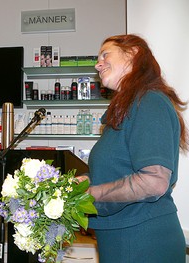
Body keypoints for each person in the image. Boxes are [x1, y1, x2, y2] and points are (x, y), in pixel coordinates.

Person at [78, 34, 188, 263]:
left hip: (141, 241)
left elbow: (153, 181)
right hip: (123, 238)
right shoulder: (129, 108)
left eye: (105, 55)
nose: (98, 64)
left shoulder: (148, 101)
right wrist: (87, 182)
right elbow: (119, 171)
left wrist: (92, 194)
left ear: (133, 53)